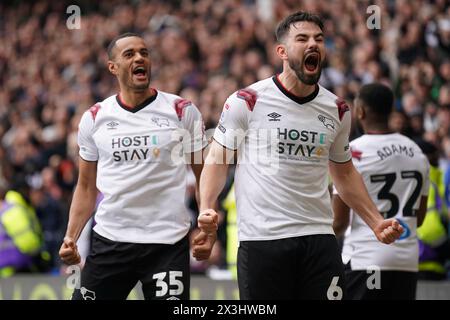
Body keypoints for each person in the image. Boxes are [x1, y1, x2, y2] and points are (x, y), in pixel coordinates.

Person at [194, 12, 404, 300]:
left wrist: (375, 221)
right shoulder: (247, 101)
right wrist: (207, 206)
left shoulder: (337, 109)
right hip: (263, 241)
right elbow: (218, 160)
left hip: (319, 239)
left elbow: (344, 173)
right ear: (281, 51)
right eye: (302, 39)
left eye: (319, 39)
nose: (313, 44)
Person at [59, 33, 216, 300]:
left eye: (144, 52)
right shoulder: (95, 118)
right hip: (111, 241)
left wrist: (207, 226)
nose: (140, 58)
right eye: (129, 54)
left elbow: (204, 176)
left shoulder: (182, 110)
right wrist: (71, 236)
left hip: (167, 244)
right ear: (113, 67)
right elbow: (85, 187)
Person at [332, 83, 430, 300]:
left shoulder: (354, 153)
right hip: (407, 262)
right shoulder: (417, 152)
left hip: (365, 258)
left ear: (360, 111)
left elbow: (339, 221)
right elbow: (419, 217)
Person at [0, 177, 49, 277]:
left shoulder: (18, 206)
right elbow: (27, 242)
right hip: (14, 271)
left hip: (12, 268)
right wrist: (42, 256)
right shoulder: (14, 209)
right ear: (24, 190)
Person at [415, 140, 450, 280]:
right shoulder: (427, 182)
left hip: (424, 261)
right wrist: (446, 249)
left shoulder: (435, 179)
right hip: (427, 261)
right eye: (433, 154)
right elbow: (428, 228)